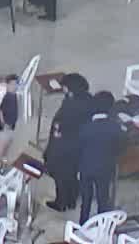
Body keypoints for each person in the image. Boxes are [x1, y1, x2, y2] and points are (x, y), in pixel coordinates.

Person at [43, 73, 91, 212]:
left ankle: (61, 202)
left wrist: (58, 132)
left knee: (60, 174)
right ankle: (71, 200)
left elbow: (66, 122)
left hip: (64, 145)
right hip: (78, 146)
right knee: (71, 173)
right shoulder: (86, 99)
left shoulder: (72, 103)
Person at [76, 91, 121, 222]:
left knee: (86, 200)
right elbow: (120, 145)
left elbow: (79, 148)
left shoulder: (85, 127)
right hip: (105, 168)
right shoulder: (114, 127)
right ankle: (102, 225)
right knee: (103, 199)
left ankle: (83, 224)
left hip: (86, 168)